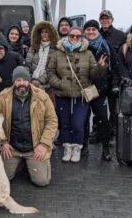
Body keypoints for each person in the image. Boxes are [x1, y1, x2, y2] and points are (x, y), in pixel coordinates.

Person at [47, 27, 107, 163]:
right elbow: (50, 72)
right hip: (62, 94)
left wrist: (100, 67)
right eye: (72, 36)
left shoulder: (88, 53)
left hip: (81, 95)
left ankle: (77, 149)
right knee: (65, 123)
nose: (75, 38)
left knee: (78, 124)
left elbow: (93, 74)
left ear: (81, 37)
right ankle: (67, 148)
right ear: (67, 36)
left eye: (78, 36)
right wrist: (60, 84)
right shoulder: (57, 53)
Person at [0, 66, 58, 187]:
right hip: (12, 148)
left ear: (29, 80)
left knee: (42, 181)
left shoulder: (42, 96)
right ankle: (21, 164)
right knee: (3, 179)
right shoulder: (4, 96)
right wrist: (3, 142)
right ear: (14, 81)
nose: (21, 83)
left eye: (24, 80)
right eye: (18, 80)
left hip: (34, 147)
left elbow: (52, 121)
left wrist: (44, 144)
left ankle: (33, 163)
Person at [83, 20, 117, 161]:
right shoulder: (80, 45)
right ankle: (84, 146)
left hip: (101, 89)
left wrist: (114, 83)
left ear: (98, 31)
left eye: (93, 29)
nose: (91, 32)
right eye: (88, 29)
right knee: (84, 119)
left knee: (102, 119)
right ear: (84, 31)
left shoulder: (105, 45)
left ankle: (106, 148)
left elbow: (115, 65)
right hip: (84, 88)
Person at [99, 10, 126, 137]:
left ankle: (112, 130)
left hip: (114, 78)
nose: (105, 20)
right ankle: (98, 129)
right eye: (102, 18)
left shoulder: (120, 35)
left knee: (113, 108)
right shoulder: (95, 33)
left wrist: (122, 76)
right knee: (98, 107)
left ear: (112, 20)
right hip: (99, 77)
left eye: (107, 18)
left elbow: (124, 57)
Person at [26, 21, 58, 89]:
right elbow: (27, 64)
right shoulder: (34, 47)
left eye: (46, 32)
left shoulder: (55, 49)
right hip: (31, 80)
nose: (44, 34)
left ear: (51, 33)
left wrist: (39, 81)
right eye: (42, 32)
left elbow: (51, 70)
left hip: (46, 84)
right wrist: (29, 78)